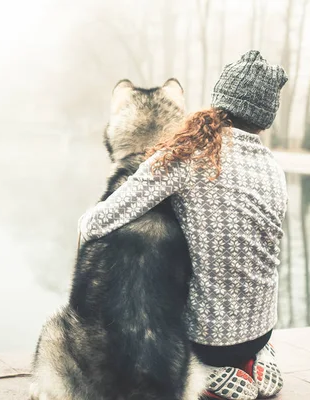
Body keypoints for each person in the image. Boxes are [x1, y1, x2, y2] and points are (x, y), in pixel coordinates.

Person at [78, 50, 288, 400]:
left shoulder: (186, 155)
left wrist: (84, 226)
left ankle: (213, 372)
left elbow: (101, 220)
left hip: (207, 342)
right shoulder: (274, 170)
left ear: (218, 101)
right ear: (264, 120)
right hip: (263, 329)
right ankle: (254, 360)